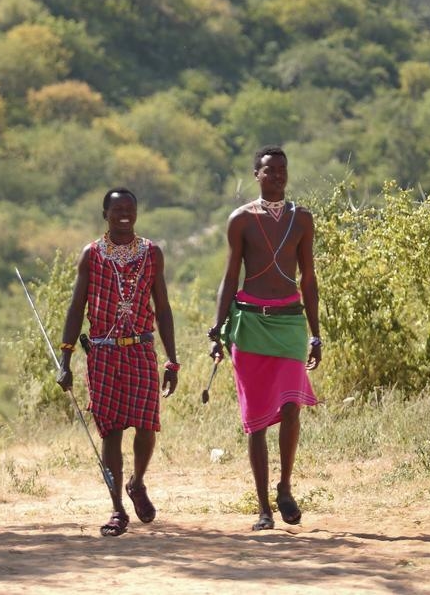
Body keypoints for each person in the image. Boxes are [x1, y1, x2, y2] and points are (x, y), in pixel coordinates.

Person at [209, 147, 322, 531]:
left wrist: (316, 334)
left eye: (283, 170)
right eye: (269, 170)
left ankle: (285, 488)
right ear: (256, 174)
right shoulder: (240, 220)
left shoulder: (301, 219)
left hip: (291, 323)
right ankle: (263, 509)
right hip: (251, 325)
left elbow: (308, 278)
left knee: (292, 408)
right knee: (256, 421)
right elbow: (230, 278)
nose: (277, 176)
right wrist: (217, 327)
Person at [56, 187, 179, 537]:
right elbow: (76, 308)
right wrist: (65, 358)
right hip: (103, 352)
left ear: (137, 213)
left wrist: (173, 359)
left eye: (130, 208)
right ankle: (117, 510)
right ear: (105, 214)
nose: (124, 214)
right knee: (110, 433)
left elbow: (164, 309)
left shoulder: (152, 253)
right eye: (116, 209)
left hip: (140, 349)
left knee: (146, 426)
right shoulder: (91, 255)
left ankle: (137, 482)